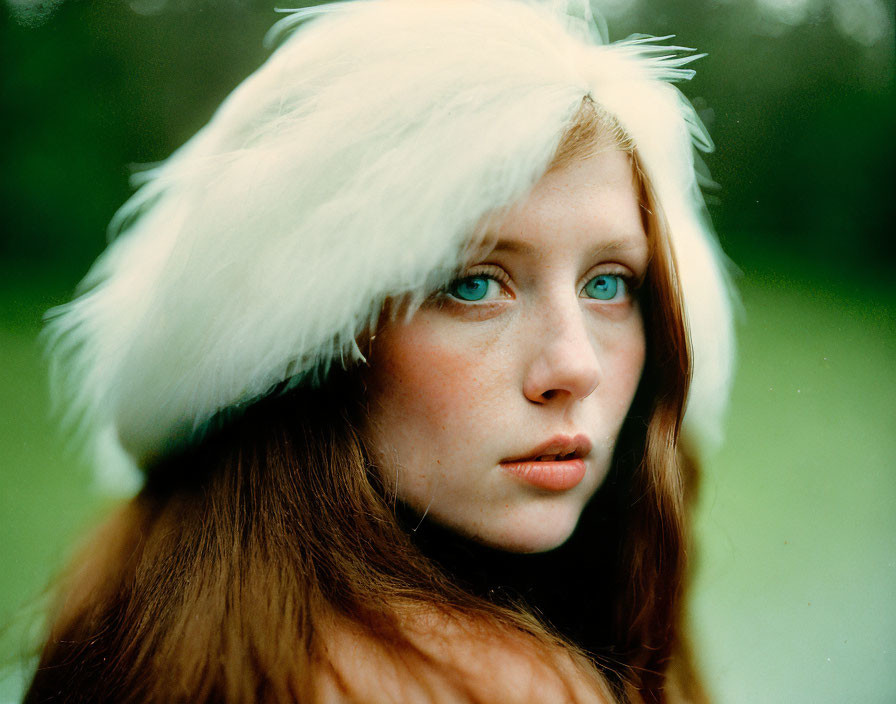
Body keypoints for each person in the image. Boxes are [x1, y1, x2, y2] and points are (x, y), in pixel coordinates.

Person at [26, 0, 735, 702]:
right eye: (475, 284)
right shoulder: (507, 688)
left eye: (608, 284)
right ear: (316, 345)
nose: (575, 366)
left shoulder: (139, 596)